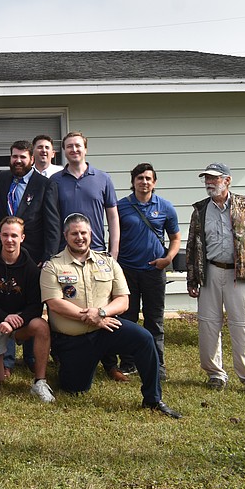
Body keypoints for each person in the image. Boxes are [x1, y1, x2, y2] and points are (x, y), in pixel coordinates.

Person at [42, 214, 182, 417]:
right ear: (66, 236)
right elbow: (54, 304)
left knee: (144, 339)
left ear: (90, 234)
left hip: (106, 327)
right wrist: (89, 316)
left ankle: (153, 399)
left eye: (83, 233)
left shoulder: (107, 262)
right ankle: (65, 364)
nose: (79, 237)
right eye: (74, 233)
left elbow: (123, 300)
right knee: (75, 389)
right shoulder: (53, 266)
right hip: (74, 339)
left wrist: (100, 313)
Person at [185, 162, 245, 396]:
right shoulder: (200, 210)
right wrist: (192, 279)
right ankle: (215, 374)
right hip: (210, 272)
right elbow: (192, 246)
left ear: (227, 181)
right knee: (208, 324)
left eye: (214, 178)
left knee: (243, 325)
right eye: (207, 178)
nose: (209, 182)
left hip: (239, 274)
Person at [50, 131, 123, 381]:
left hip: (98, 253)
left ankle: (110, 363)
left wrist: (113, 252)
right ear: (64, 151)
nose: (74, 150)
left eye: (78, 146)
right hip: (65, 256)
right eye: (69, 146)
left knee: (103, 307)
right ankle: (64, 357)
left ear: (85, 149)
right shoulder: (56, 180)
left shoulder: (102, 179)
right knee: (67, 307)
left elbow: (112, 216)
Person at [116, 163, 181, 378]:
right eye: (140, 178)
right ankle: (128, 362)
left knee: (154, 319)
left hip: (154, 271)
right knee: (127, 318)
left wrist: (168, 259)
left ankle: (157, 363)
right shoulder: (120, 206)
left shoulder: (165, 207)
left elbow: (175, 238)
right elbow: (114, 237)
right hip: (126, 271)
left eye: (148, 178)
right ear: (133, 181)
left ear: (154, 182)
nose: (144, 182)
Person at [0, 217, 55, 402]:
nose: (10, 240)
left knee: (41, 326)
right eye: (5, 235)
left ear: (22, 237)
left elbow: (36, 306)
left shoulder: (32, 268)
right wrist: (4, 318)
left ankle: (40, 381)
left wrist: (19, 319)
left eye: (14, 235)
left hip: (21, 324)